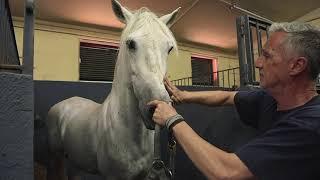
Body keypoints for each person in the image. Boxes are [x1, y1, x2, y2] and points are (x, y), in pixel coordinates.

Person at [148, 22, 320, 180]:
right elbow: (227, 96)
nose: (258, 63)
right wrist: (184, 95)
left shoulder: (310, 125)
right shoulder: (271, 99)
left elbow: (227, 172)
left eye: (267, 56)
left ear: (297, 66)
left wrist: (172, 119)